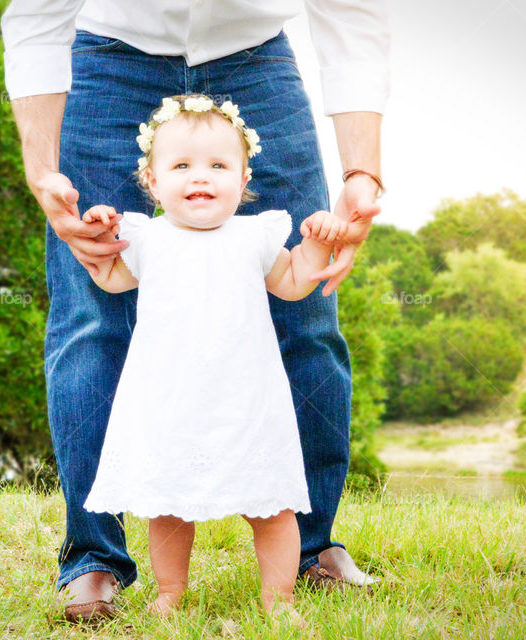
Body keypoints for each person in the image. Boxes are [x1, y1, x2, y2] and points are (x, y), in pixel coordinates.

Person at [1, 0, 389, 623]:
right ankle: (93, 560)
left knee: (307, 322)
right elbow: (38, 15)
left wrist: (363, 169)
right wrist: (42, 167)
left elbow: (350, 13)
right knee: (92, 319)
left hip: (258, 61)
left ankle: (312, 549)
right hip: (106, 61)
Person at [79, 94, 351, 624]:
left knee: (271, 506)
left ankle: (281, 601)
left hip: (246, 399)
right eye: (181, 166)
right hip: (169, 398)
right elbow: (111, 279)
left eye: (218, 166)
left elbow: (294, 283)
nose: (199, 177)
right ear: (154, 183)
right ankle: (169, 594)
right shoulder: (146, 237)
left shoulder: (254, 235)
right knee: (168, 507)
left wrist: (316, 246)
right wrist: (98, 237)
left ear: (243, 178)